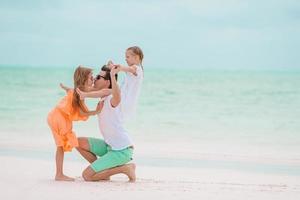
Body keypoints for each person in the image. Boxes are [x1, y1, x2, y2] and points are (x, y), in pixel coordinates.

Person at [76, 65, 136, 182]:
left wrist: (113, 75)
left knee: (87, 176)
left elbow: (117, 93)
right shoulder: (102, 98)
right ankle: (102, 172)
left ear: (107, 82)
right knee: (77, 142)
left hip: (122, 150)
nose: (95, 79)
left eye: (98, 77)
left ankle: (126, 169)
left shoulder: (112, 99)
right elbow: (85, 90)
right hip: (110, 146)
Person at [47, 66, 104, 181]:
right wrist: (96, 111)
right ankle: (59, 174)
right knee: (62, 146)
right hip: (61, 118)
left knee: (60, 146)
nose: (92, 79)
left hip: (54, 115)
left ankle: (59, 174)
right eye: (90, 78)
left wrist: (65, 88)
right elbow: (83, 110)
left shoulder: (78, 89)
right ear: (83, 79)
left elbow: (72, 91)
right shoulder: (82, 91)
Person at [77, 46, 144, 120]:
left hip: (125, 99)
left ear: (136, 57)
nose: (125, 59)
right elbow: (126, 69)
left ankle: (85, 94)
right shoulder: (133, 71)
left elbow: (130, 69)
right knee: (104, 91)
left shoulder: (137, 69)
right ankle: (84, 92)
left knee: (105, 91)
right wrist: (113, 66)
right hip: (123, 96)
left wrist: (120, 67)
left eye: (127, 57)